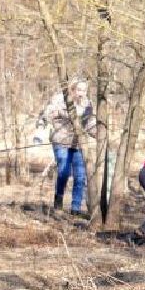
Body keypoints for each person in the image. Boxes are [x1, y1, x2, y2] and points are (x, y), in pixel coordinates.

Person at [37, 79, 97, 217]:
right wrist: (42, 126)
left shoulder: (88, 104)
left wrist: (99, 134)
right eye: (79, 90)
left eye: (84, 90)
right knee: (64, 171)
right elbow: (46, 113)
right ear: (72, 89)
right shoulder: (60, 100)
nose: (81, 93)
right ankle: (58, 198)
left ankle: (75, 208)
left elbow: (90, 124)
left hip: (78, 143)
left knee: (80, 176)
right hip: (61, 140)